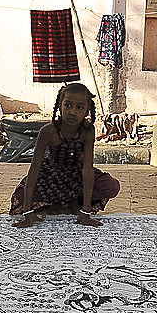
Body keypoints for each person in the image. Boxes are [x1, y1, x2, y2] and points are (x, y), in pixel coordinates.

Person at [10, 83, 119, 228]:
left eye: (79, 107)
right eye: (68, 105)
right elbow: (34, 169)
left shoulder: (88, 131)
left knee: (111, 185)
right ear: (60, 105)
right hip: (51, 176)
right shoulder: (47, 131)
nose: (72, 112)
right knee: (21, 196)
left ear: (87, 111)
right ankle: (64, 205)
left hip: (77, 176)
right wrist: (27, 211)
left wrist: (86, 210)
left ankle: (72, 205)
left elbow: (87, 170)